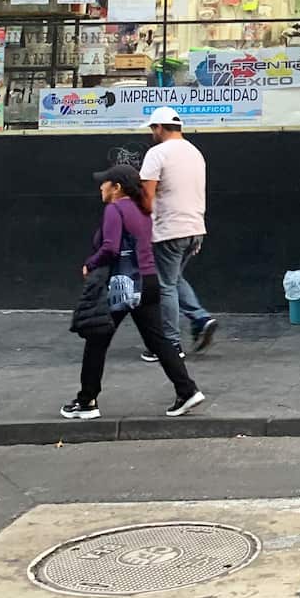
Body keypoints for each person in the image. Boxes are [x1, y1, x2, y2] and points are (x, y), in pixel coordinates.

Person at [63, 165, 205, 420]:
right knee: (158, 340)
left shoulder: (115, 209)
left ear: (116, 188)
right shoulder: (142, 210)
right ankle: (187, 389)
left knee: (97, 340)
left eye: (104, 183)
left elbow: (110, 247)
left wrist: (90, 263)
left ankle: (87, 402)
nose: (100, 187)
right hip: (148, 281)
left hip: (123, 285)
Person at [139, 106, 217, 358]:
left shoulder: (157, 153)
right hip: (194, 227)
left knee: (165, 286)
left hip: (169, 229)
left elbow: (147, 197)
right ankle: (199, 318)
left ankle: (170, 344)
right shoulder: (195, 153)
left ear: (159, 127)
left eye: (153, 128)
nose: (152, 133)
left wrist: (139, 223)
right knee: (174, 279)